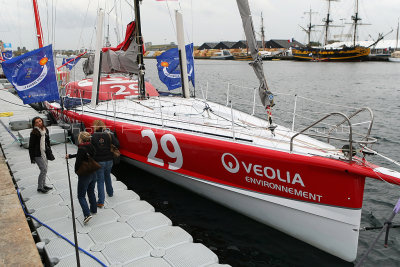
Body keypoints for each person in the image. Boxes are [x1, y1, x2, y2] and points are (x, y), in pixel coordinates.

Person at [66, 131, 97, 224]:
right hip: (93, 172)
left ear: (80, 139)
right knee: (91, 191)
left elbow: (78, 163)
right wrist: (71, 156)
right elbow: (84, 155)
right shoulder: (91, 146)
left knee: (81, 196)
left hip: (85, 175)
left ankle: (87, 214)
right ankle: (94, 209)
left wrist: (77, 172)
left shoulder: (81, 148)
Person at [91, 120, 119, 208]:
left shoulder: (92, 136)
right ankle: (110, 193)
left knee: (100, 181)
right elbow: (117, 144)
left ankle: (100, 201)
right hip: (109, 160)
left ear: (95, 126)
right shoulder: (109, 134)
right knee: (108, 176)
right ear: (103, 126)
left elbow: (90, 149)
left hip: (99, 161)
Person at [29, 116, 54, 193]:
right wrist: (32, 158)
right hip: (37, 154)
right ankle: (40, 187)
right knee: (43, 169)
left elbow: (48, 141)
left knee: (45, 169)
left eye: (40, 121)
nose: (39, 123)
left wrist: (49, 150)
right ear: (34, 124)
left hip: (44, 152)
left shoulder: (45, 130)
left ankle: (44, 184)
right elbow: (31, 146)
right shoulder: (34, 133)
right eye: (37, 122)